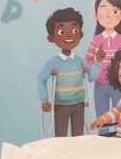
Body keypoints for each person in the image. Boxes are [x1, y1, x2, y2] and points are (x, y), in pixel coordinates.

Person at [37, 7, 90, 136]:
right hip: (60, 106)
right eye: (62, 31)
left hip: (79, 105)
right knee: (61, 137)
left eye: (74, 30)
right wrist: (44, 101)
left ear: (80, 34)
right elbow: (41, 80)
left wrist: (98, 61)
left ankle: (78, 156)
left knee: (79, 136)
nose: (69, 35)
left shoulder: (79, 61)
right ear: (51, 38)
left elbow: (91, 77)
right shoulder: (53, 63)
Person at [84, 0, 121, 132]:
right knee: (101, 117)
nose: (108, 15)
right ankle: (103, 142)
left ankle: (120, 140)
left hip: (118, 85)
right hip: (100, 85)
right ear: (96, 15)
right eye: (103, 9)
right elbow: (87, 62)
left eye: (114, 10)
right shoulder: (95, 40)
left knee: (120, 116)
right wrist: (97, 61)